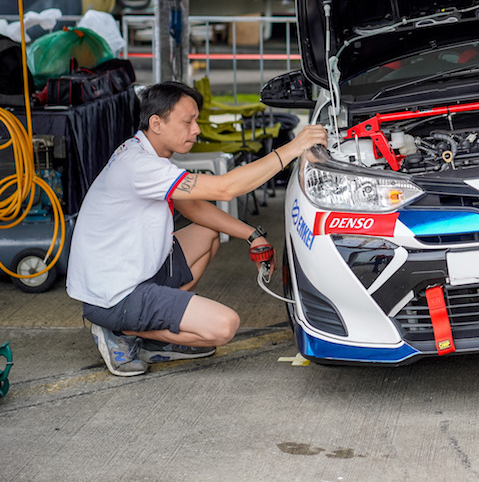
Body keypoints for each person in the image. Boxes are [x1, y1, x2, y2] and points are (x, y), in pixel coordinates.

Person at [66, 81, 328, 377]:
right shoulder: (140, 166)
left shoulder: (145, 151)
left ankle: (150, 334)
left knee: (207, 234)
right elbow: (226, 188)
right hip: (114, 294)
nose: (197, 130)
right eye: (187, 122)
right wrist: (293, 148)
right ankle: (120, 330)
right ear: (156, 123)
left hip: (125, 273)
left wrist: (252, 235)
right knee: (224, 326)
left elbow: (192, 207)